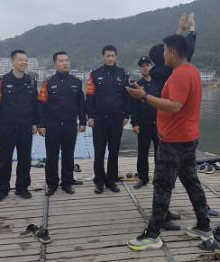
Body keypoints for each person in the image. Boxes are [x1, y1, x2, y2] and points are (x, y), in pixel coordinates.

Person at [126, 34, 210, 251]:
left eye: (164, 51)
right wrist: (185, 30)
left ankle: (152, 234)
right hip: (188, 137)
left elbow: (174, 106)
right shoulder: (192, 70)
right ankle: (203, 225)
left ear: (173, 52)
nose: (162, 55)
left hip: (175, 140)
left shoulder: (181, 75)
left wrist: (143, 97)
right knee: (191, 181)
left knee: (162, 185)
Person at [0, 49, 38, 202]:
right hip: (7, 126)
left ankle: (22, 188)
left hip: (25, 126)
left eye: (26, 60)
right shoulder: (1, 81)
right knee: (5, 158)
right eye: (21, 60)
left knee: (24, 158)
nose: (24, 62)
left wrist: (35, 122)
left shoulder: (31, 81)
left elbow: (35, 104)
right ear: (13, 62)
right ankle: (2, 190)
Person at [37, 51, 86, 195]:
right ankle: (52, 184)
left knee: (68, 155)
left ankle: (67, 183)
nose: (65, 63)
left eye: (67, 60)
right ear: (55, 64)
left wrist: (82, 121)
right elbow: (41, 105)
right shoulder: (48, 83)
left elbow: (81, 104)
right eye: (61, 61)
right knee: (51, 156)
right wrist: (41, 124)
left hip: (70, 124)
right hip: (53, 125)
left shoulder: (76, 82)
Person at [86, 45, 130, 194]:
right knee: (99, 151)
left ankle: (111, 180)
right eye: (107, 56)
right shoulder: (95, 74)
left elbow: (127, 96)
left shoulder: (123, 74)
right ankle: (99, 181)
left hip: (117, 118)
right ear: (103, 57)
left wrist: (126, 115)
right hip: (99, 119)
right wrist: (90, 116)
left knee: (114, 150)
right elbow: (90, 96)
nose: (110, 58)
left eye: (112, 56)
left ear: (116, 56)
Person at [130, 56, 157, 190]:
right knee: (142, 153)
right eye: (142, 65)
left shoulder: (159, 83)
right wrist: (134, 123)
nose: (145, 67)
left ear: (152, 67)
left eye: (148, 65)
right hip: (143, 125)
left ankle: (160, 179)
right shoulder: (137, 85)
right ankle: (143, 178)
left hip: (159, 125)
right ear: (139, 69)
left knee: (160, 153)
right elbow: (133, 107)